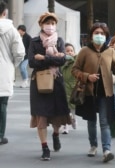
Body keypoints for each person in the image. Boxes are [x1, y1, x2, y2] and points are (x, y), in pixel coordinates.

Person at [71, 22, 115, 163]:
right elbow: (74, 69)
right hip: (89, 92)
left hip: (106, 92)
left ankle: (106, 150)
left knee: (104, 122)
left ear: (106, 36)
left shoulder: (110, 51)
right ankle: (93, 145)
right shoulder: (85, 51)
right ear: (91, 36)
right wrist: (87, 76)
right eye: (96, 33)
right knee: (91, 121)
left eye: (102, 34)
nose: (99, 36)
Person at [28, 12, 71, 161]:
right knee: (41, 116)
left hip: (56, 81)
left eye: (53, 23)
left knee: (57, 114)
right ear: (41, 25)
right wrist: (53, 58)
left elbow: (62, 60)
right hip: (39, 83)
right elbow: (32, 62)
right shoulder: (34, 42)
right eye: (47, 23)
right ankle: (45, 147)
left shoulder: (59, 40)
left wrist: (44, 58)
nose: (50, 26)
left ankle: (56, 134)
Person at [0, 1, 25, 145]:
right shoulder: (11, 30)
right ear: (4, 13)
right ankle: (0, 134)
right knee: (2, 104)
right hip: (4, 71)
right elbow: (20, 52)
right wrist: (12, 65)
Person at [61, 43, 78, 134]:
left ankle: (74, 119)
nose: (69, 52)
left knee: (73, 108)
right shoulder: (61, 61)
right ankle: (65, 126)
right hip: (63, 87)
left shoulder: (76, 60)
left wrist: (74, 57)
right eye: (67, 51)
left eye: (71, 51)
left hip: (73, 87)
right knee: (64, 109)